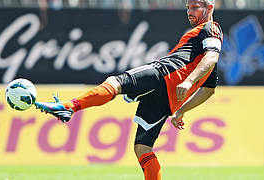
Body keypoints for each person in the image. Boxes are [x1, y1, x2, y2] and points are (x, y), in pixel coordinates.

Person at [35, 0, 222, 179]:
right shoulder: (202, 53)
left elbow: (211, 57)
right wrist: (181, 110)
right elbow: (208, 89)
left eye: (195, 7)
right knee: (143, 147)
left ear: (210, 7)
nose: (190, 12)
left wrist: (188, 81)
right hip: (170, 98)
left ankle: (69, 107)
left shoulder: (211, 29)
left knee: (115, 82)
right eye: (188, 7)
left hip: (165, 73)